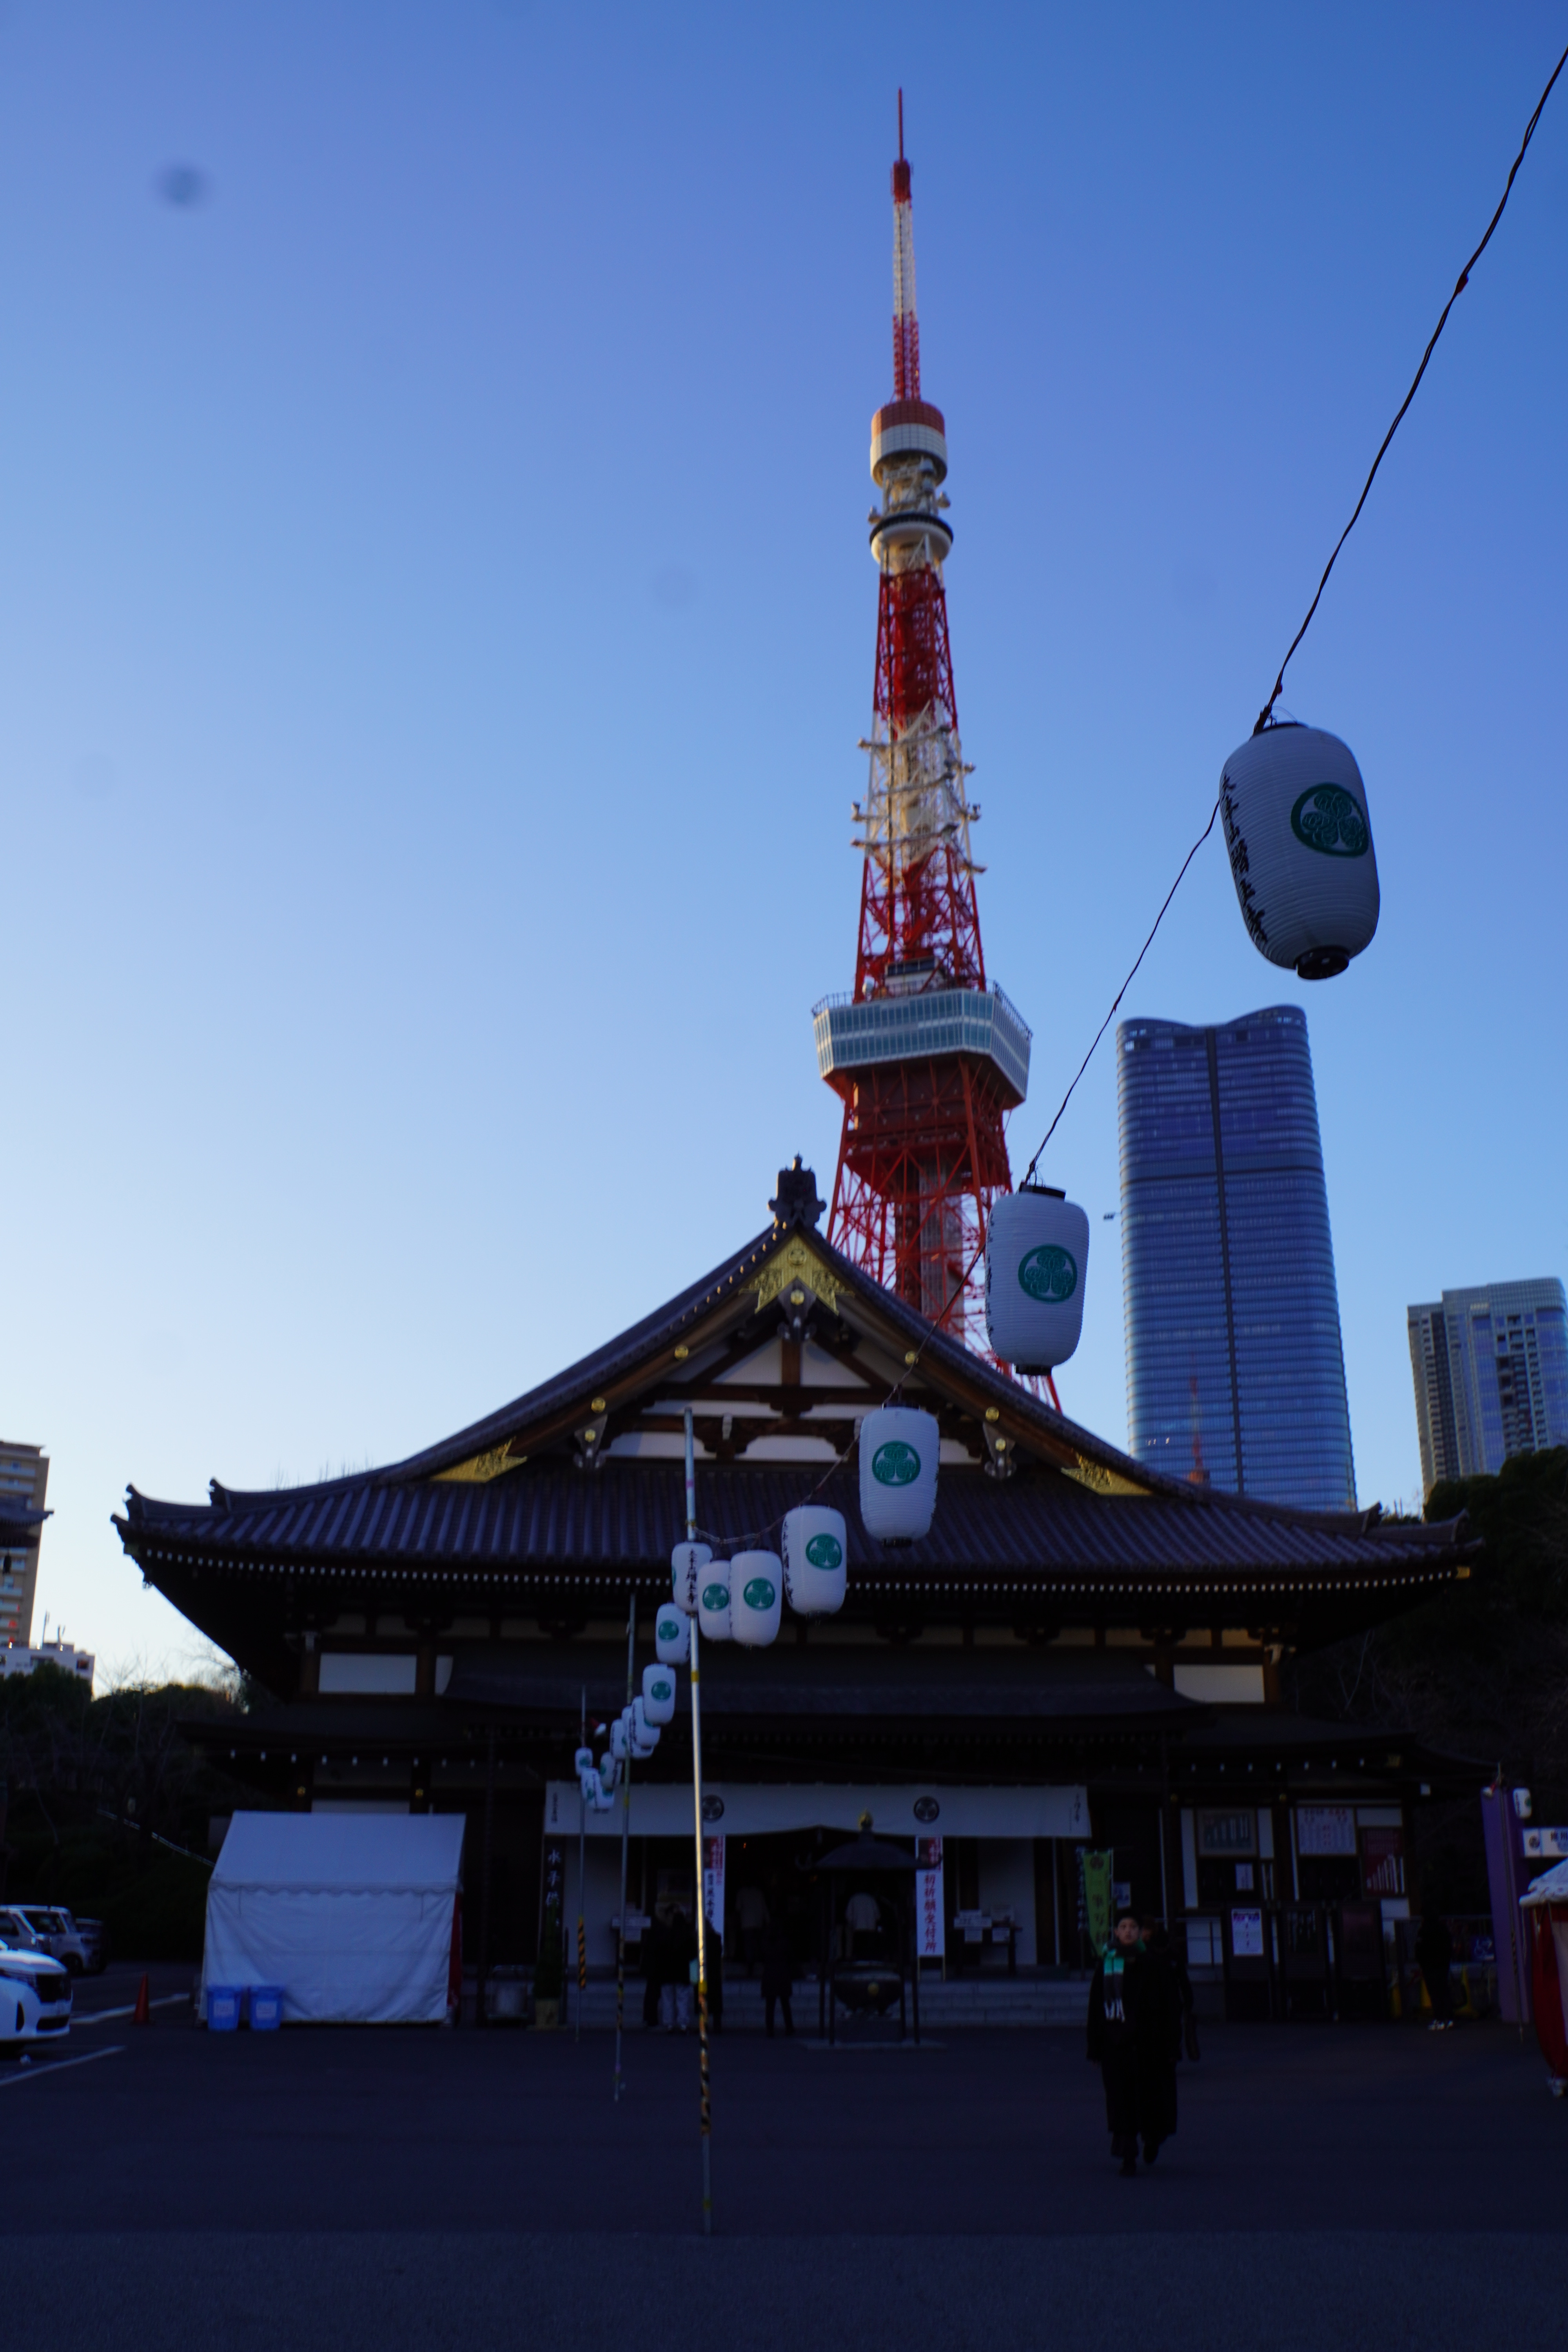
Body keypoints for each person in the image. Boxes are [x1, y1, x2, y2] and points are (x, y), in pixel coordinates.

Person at [1086, 1913, 1182, 2175]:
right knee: (1121, 2102)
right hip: (1116, 2044)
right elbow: (1096, 2008)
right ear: (1116, 1932)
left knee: (1152, 2099)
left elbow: (1171, 2006)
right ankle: (1127, 2156)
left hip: (1151, 2044)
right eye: (1123, 1927)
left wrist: (1173, 2045)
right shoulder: (1107, 1964)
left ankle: (1152, 2139)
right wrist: (1095, 2047)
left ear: (1141, 1932)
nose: (1128, 1931)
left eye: (1133, 1927)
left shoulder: (1154, 1964)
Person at [1415, 1911, 1455, 2031]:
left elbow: (1419, 1949)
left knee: (1434, 1993)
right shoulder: (1443, 1929)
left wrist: (1422, 1963)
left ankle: (1439, 2019)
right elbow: (1449, 1946)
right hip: (1443, 1965)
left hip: (1429, 1966)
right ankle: (1449, 2019)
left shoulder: (1424, 1931)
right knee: (1444, 1991)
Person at [761, 1913, 795, 2037]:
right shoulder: (784, 1942)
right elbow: (790, 1958)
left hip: (770, 1974)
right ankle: (789, 2028)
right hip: (783, 1973)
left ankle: (770, 2030)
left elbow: (762, 1957)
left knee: (770, 2005)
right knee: (785, 2004)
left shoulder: (766, 1942)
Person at [736, 1883, 769, 1976]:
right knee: (758, 1945)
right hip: (758, 1923)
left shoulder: (742, 1892)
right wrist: (768, 1921)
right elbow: (764, 1908)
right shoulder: (759, 1893)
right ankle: (759, 1964)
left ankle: (751, 1966)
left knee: (749, 1946)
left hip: (746, 1923)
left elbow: (738, 1908)